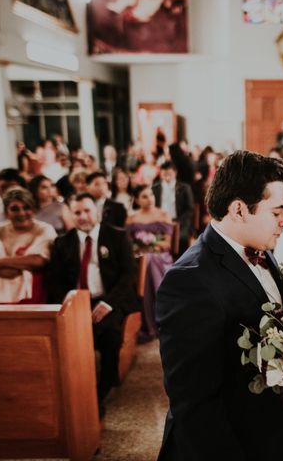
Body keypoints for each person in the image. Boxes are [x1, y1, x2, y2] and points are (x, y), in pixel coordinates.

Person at [155, 151, 283, 461]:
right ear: (239, 209)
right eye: (276, 211)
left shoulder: (262, 249)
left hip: (269, 436)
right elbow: (195, 406)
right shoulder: (188, 282)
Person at [46, 193, 138, 414]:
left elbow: (129, 275)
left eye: (87, 211)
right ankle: (71, 391)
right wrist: (71, 304)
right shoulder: (62, 243)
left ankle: (99, 394)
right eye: (77, 212)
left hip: (110, 299)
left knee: (109, 335)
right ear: (70, 215)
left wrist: (108, 303)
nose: (83, 216)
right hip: (76, 301)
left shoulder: (117, 236)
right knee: (67, 336)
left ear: (96, 211)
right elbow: (55, 281)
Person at [0, 188, 56, 304]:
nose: (21, 213)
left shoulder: (44, 230)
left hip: (29, 291)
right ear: (6, 213)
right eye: (15, 209)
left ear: (34, 210)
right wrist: (1, 273)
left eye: (26, 208)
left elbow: (39, 260)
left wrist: (0, 263)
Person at [127, 185, 174, 341]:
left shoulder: (163, 215)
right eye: (144, 196)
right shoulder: (132, 218)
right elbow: (128, 244)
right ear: (137, 200)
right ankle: (146, 323)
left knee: (150, 260)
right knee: (144, 261)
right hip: (139, 257)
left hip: (160, 257)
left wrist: (150, 244)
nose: (150, 199)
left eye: (151, 195)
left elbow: (167, 244)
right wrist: (140, 248)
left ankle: (162, 319)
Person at [152, 161, 194, 253]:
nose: (167, 174)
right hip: (159, 222)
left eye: (169, 172)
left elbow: (189, 209)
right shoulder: (154, 188)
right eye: (164, 172)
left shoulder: (184, 188)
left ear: (175, 173)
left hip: (179, 222)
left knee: (181, 238)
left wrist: (177, 222)